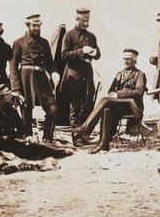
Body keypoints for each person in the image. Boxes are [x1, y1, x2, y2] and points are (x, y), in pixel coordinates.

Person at [71, 49, 146, 153]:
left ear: (134, 60)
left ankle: (85, 128)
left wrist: (119, 94)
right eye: (124, 59)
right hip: (120, 106)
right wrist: (114, 95)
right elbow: (111, 91)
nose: (125, 61)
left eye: (128, 59)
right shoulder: (119, 74)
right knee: (107, 109)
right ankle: (103, 145)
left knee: (105, 100)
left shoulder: (140, 74)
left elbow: (139, 92)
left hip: (132, 107)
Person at [0, 84, 72, 159]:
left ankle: (60, 152)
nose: (10, 96)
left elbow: (20, 126)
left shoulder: (11, 110)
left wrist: (27, 136)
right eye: (7, 95)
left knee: (34, 146)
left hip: (12, 139)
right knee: (28, 152)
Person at [9, 14, 60, 143]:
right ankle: (28, 136)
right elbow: (13, 66)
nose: (37, 28)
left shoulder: (44, 42)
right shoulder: (19, 42)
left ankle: (47, 137)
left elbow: (50, 62)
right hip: (26, 77)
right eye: (34, 25)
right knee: (27, 108)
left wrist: (54, 72)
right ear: (28, 26)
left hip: (41, 77)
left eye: (38, 25)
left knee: (52, 108)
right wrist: (15, 87)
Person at [60, 8, 101, 146]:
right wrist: (81, 51)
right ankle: (76, 137)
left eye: (88, 20)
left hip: (87, 74)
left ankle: (84, 134)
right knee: (75, 107)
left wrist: (95, 53)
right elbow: (64, 55)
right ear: (77, 19)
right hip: (74, 74)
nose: (86, 23)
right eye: (83, 20)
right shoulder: (69, 35)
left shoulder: (92, 36)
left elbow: (98, 54)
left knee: (88, 104)